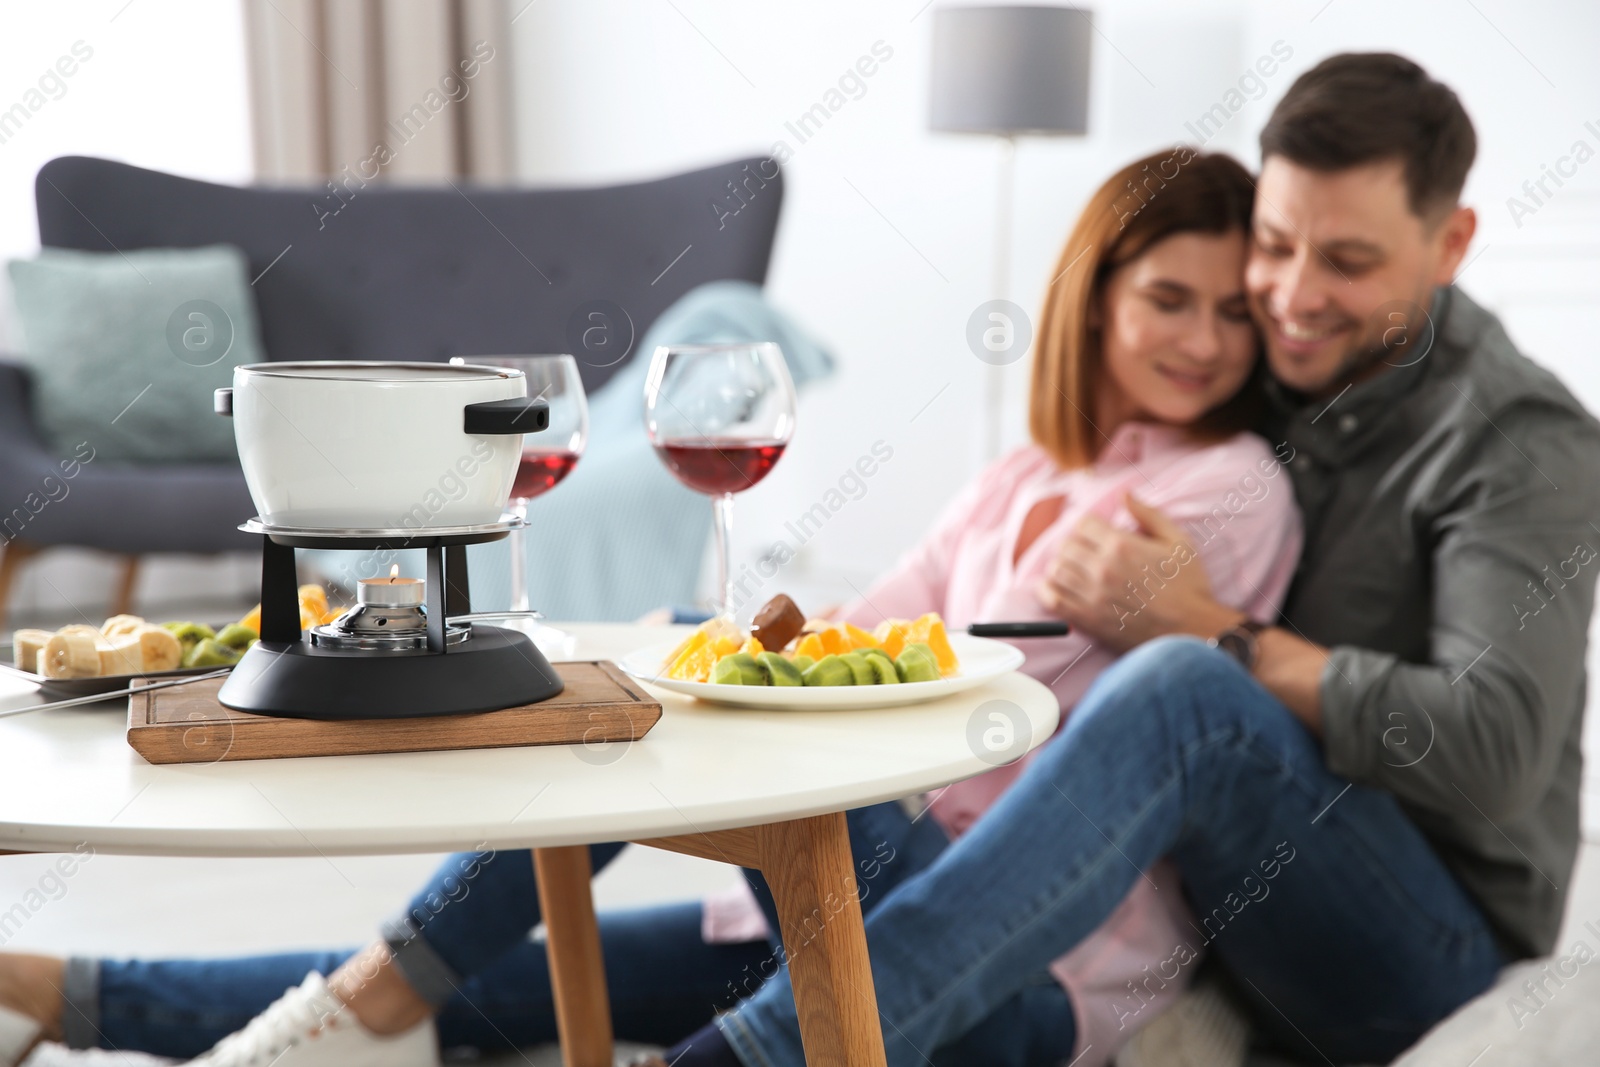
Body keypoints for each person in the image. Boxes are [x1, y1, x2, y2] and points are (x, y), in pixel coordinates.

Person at [0, 149, 1303, 1067]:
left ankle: (380, 979)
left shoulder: (1230, 488)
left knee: (650, 712)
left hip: (1015, 962)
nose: (1200, 340)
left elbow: (932, 686)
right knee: (468, 982)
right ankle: (73, 988)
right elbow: (870, 634)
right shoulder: (1023, 474)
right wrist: (741, 635)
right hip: (844, 900)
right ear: (1099, 302)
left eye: (1231, 314)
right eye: (1166, 299)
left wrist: (793, 656)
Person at [653, 51, 1600, 1067]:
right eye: (1273, 247)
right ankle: (453, 973)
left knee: (1184, 681)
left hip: (1417, 937)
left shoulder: (1517, 442)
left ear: (1449, 241)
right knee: (715, 684)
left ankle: (751, 1057)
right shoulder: (1282, 363)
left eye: (1348, 263)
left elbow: (1493, 750)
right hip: (1208, 893)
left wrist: (1214, 630)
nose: (1287, 295)